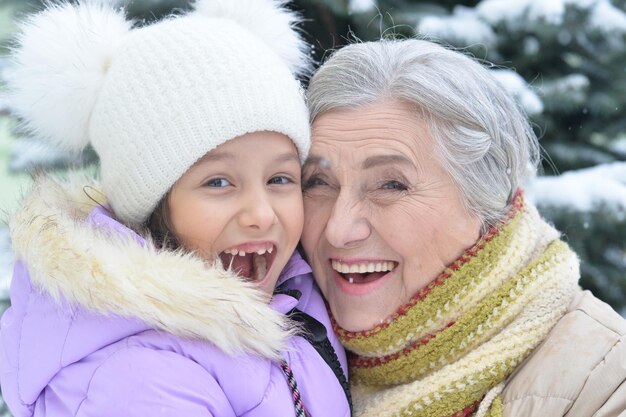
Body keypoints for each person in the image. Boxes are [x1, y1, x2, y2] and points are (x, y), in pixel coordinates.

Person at [0, 1, 351, 416]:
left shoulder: (300, 290)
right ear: (152, 203)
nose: (262, 213)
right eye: (218, 182)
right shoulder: (139, 381)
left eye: (279, 179)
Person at [301, 38, 626, 417]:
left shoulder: (605, 384)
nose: (339, 230)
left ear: (484, 199)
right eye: (318, 182)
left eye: (391, 185)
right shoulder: (270, 362)